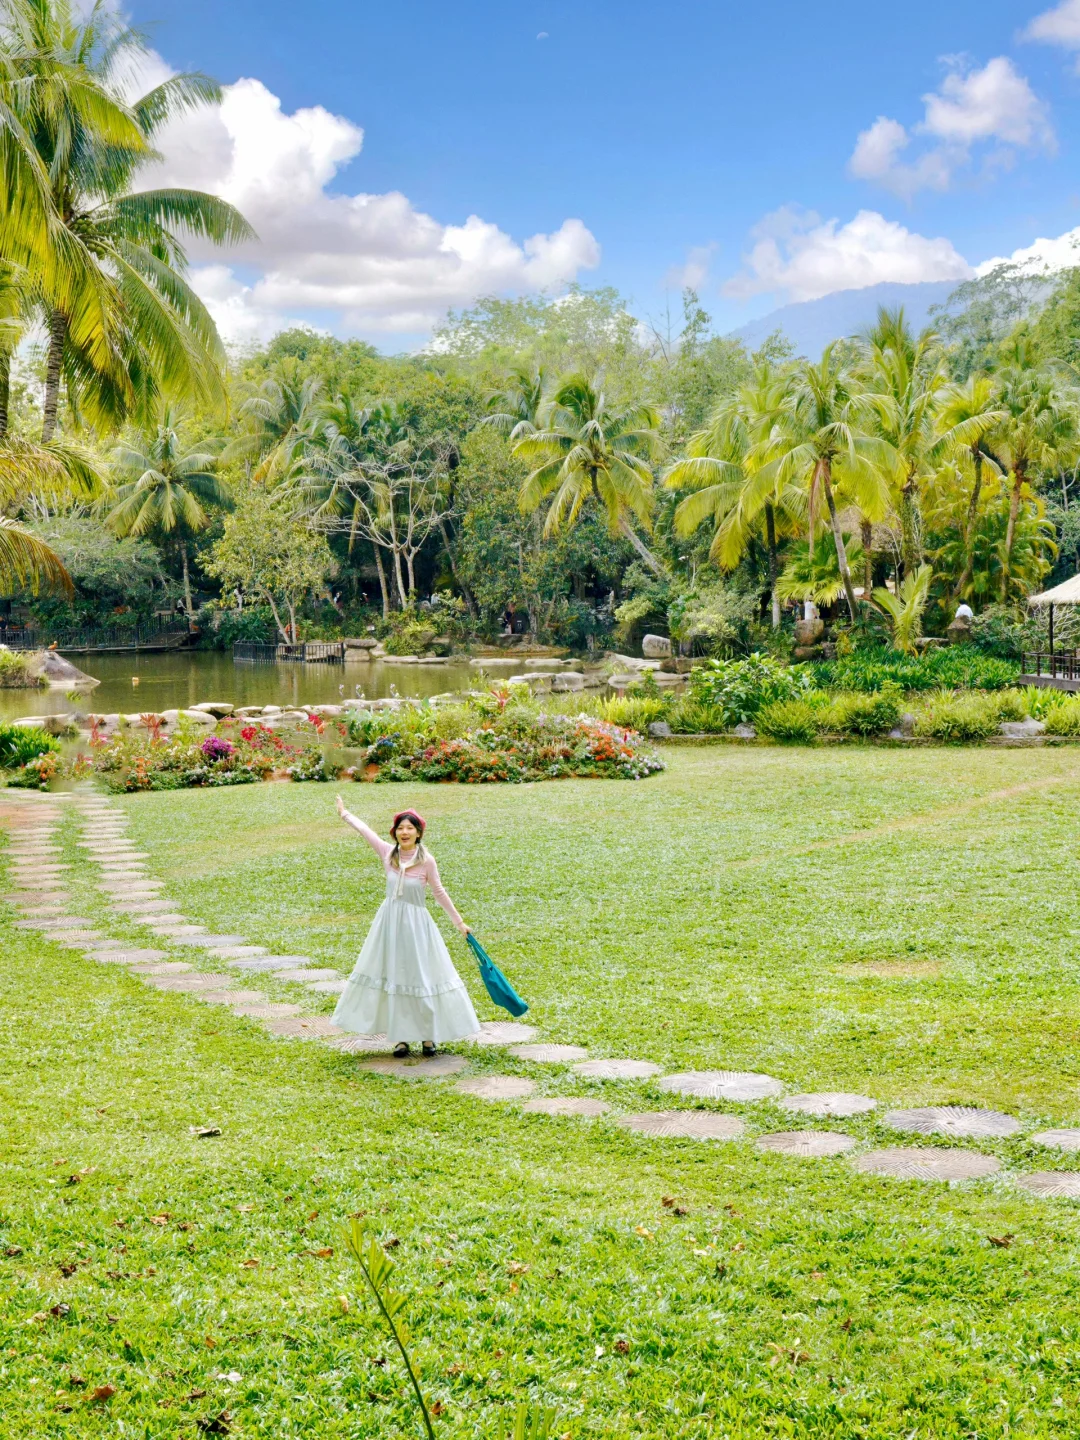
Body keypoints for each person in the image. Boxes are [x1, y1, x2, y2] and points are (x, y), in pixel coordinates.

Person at [332, 797, 479, 1056]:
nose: (405, 832)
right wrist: (345, 814)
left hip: (417, 926)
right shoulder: (388, 853)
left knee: (420, 976)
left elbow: (439, 892)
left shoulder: (426, 861)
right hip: (389, 924)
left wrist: (459, 922)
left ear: (419, 833)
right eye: (400, 828)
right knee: (395, 976)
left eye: (410, 828)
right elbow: (366, 832)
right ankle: (400, 1038)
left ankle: (428, 1037)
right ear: (395, 833)